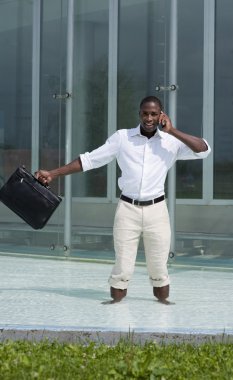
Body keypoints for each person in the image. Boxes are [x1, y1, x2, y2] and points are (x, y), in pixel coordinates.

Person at [35, 96, 211, 305]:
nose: (149, 118)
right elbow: (90, 160)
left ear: (161, 115)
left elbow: (204, 150)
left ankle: (163, 312)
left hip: (157, 211)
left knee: (158, 267)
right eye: (145, 113)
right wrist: (54, 174)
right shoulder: (122, 138)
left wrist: (171, 130)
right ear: (139, 114)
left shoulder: (170, 143)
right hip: (128, 209)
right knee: (123, 266)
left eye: (154, 114)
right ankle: (115, 310)